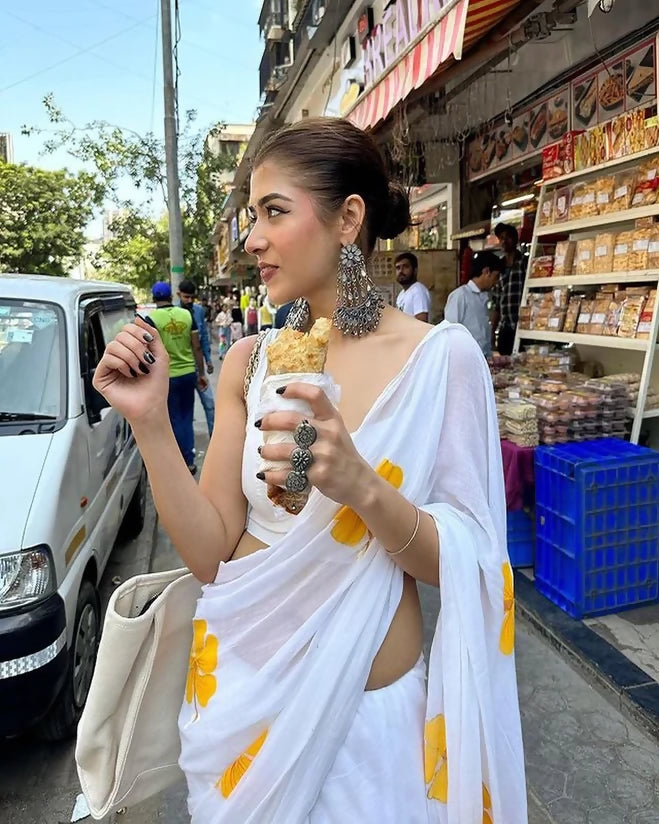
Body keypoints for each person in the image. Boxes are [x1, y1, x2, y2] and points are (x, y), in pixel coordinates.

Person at [92, 117, 526, 823]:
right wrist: (148, 424)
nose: (252, 238)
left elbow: (469, 562)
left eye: (274, 212)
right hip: (240, 708)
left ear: (347, 218)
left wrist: (359, 483)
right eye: (251, 217)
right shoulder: (249, 361)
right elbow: (209, 555)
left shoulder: (441, 359)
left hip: (368, 727)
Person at [144, 282, 207, 475]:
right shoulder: (186, 315)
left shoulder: (151, 319)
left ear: (154, 299)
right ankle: (188, 459)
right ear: (172, 296)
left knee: (173, 419)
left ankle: (178, 462)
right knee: (186, 418)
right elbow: (196, 346)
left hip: (167, 377)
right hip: (188, 373)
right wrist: (201, 373)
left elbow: (148, 351)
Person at [444, 251, 504, 357]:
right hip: (464, 359)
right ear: (486, 272)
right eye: (496, 276)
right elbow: (450, 331)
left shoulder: (485, 297)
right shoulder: (460, 296)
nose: (497, 281)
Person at [179, 279, 215, 437]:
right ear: (178, 295)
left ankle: (214, 437)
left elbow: (204, 338)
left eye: (191, 298)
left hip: (198, 366)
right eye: (185, 297)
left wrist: (208, 360)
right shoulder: (174, 313)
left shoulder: (198, 311)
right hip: (182, 369)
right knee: (185, 410)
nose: (188, 300)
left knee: (210, 404)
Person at [491, 223, 526, 356]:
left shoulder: (524, 262)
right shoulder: (499, 267)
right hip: (505, 329)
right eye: (501, 238)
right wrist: (492, 333)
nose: (504, 241)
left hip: (523, 326)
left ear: (515, 240)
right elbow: (496, 303)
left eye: (508, 237)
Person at [395, 252, 432, 321]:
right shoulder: (402, 294)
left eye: (405, 267)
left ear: (415, 270)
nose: (401, 271)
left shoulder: (418, 291)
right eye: (398, 268)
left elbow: (421, 322)